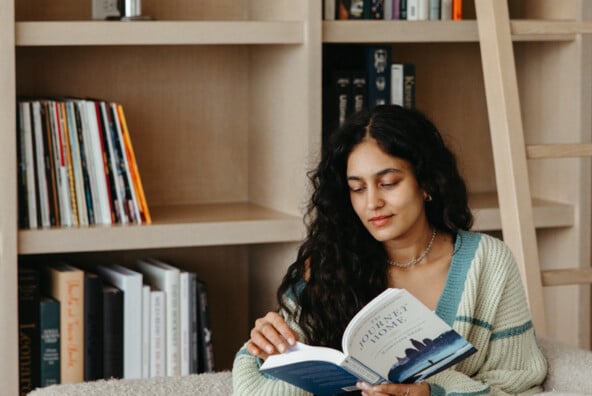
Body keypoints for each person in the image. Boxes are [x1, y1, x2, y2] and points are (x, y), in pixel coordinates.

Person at [232, 105, 547, 395]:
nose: (372, 203)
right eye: (357, 188)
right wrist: (264, 350)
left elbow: (521, 381)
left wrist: (433, 392)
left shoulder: (488, 263)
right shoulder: (330, 263)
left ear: (426, 183)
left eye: (389, 182)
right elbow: (252, 383)